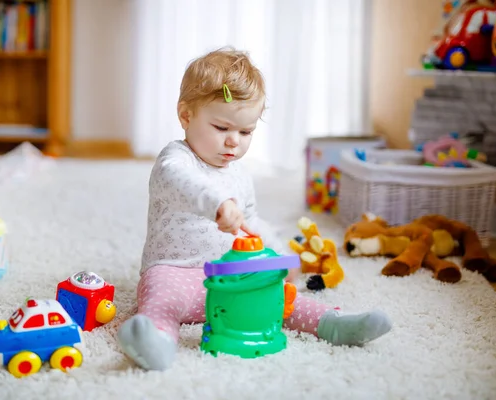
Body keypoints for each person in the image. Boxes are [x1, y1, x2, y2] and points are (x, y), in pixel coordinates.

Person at [118, 48, 392, 371]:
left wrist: (278, 256)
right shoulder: (174, 160)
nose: (234, 141)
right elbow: (183, 184)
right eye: (222, 128)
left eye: (245, 132)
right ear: (186, 116)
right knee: (161, 303)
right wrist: (218, 205)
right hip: (174, 271)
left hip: (232, 276)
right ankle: (156, 344)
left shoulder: (240, 175)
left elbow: (252, 224)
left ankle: (332, 323)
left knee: (280, 298)